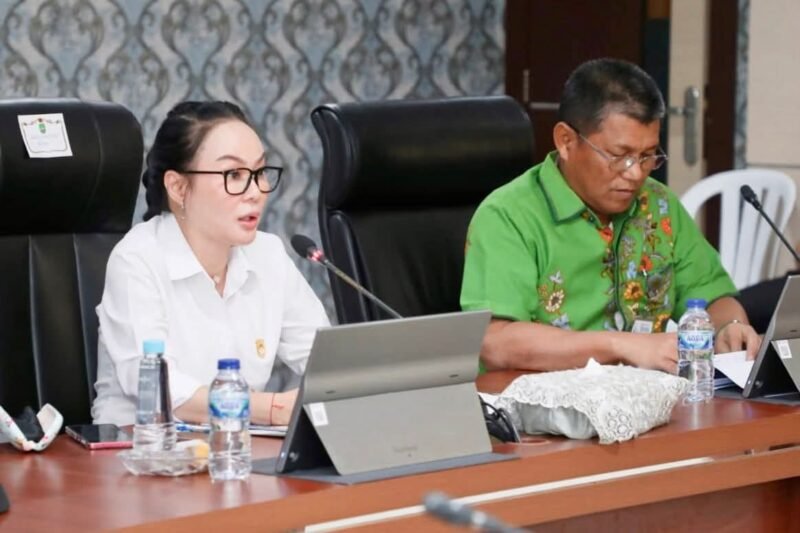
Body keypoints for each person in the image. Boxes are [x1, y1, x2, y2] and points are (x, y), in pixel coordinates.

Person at [460, 58, 761, 373]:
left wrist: (731, 326)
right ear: (566, 141)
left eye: (647, 156)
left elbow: (714, 297)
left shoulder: (657, 202)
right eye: (620, 156)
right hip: (543, 409)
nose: (635, 174)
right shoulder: (509, 215)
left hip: (651, 401)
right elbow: (495, 343)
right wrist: (620, 345)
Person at [92, 101, 329, 426]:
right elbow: (158, 388)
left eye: (259, 172)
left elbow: (326, 362)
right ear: (177, 187)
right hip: (139, 456)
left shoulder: (268, 255)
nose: (257, 191)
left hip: (232, 452)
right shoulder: (138, 260)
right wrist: (270, 408)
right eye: (234, 174)